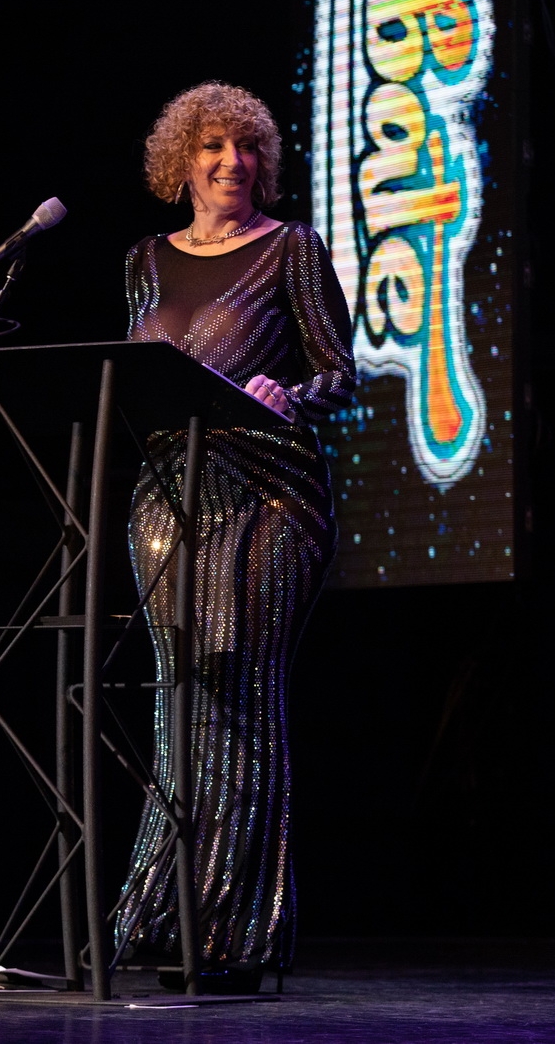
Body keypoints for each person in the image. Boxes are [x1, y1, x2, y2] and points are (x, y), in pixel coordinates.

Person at [114, 81, 356, 993]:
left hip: (267, 492)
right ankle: (162, 918)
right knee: (179, 704)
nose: (233, 162)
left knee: (239, 695)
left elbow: (339, 371)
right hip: (164, 496)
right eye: (214, 146)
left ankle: (233, 933)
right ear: (181, 162)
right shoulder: (143, 259)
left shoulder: (292, 249)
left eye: (248, 146)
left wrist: (289, 393)